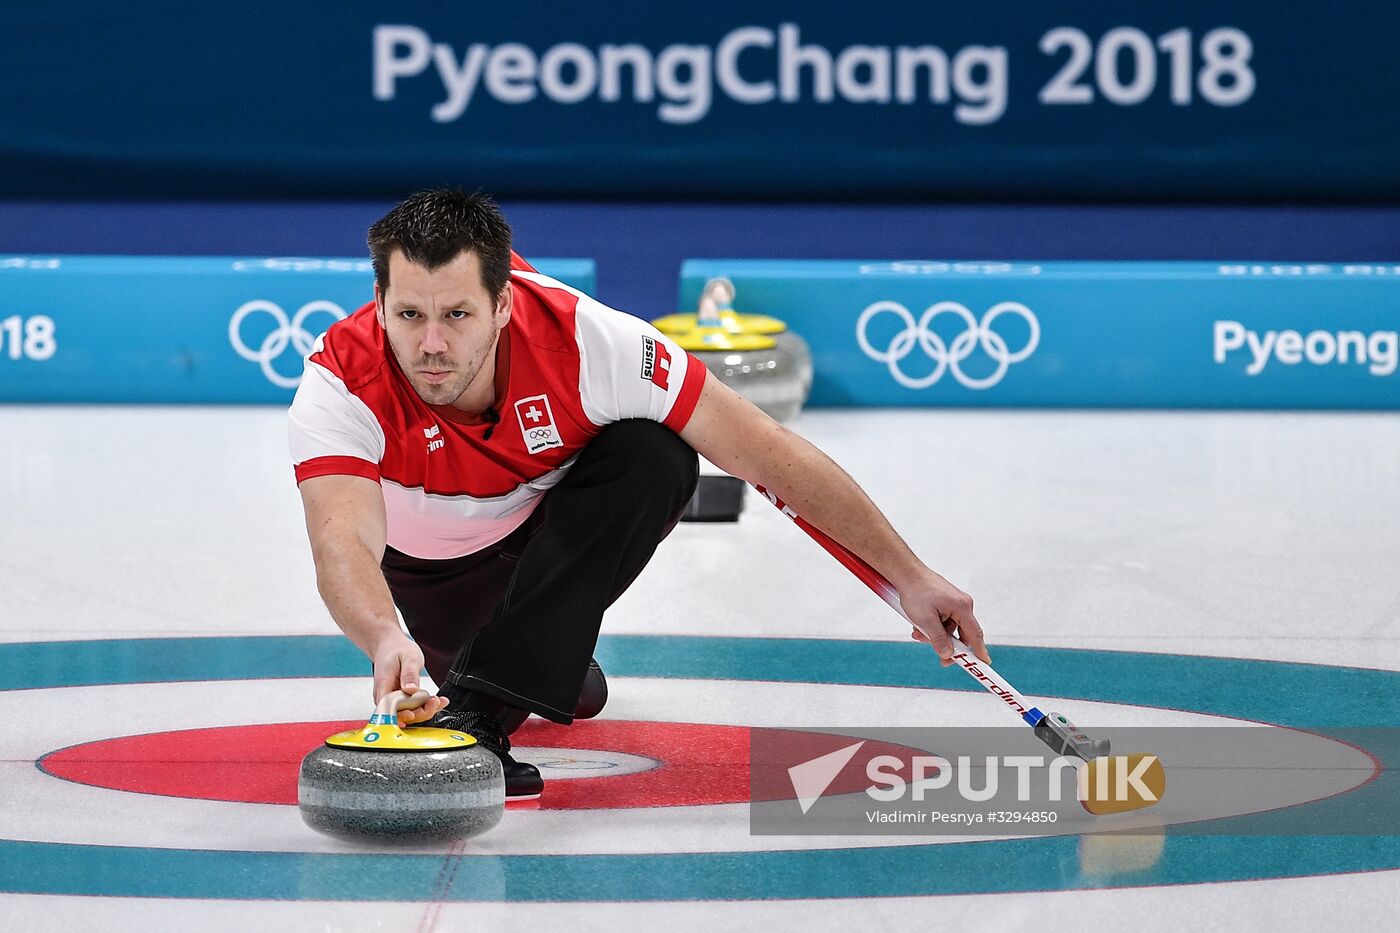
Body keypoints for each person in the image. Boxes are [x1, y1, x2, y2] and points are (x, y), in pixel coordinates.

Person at [288, 189, 989, 800]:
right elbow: (340, 538)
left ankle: (488, 704)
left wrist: (910, 575)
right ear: (380, 301)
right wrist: (384, 636)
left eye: (458, 315)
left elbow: (768, 451)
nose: (432, 344)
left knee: (658, 454)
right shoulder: (341, 378)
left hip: (543, 540)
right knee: (570, 689)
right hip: (430, 574)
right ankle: (529, 658)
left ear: (503, 303)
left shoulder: (591, 343)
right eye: (409, 315)